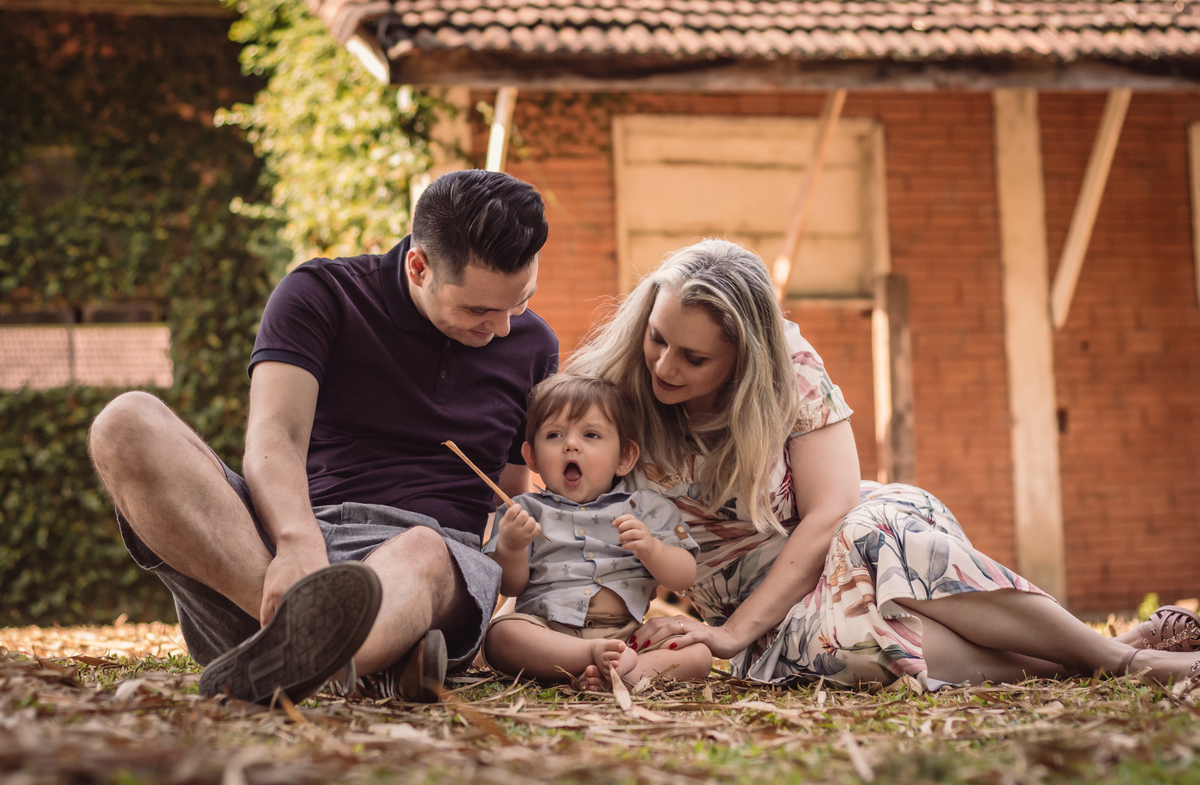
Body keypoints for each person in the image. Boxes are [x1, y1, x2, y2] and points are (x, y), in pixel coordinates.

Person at [567, 238, 1200, 690]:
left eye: (693, 358)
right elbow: (607, 536)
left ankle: (1122, 665)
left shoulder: (788, 367)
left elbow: (832, 512)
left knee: (869, 535)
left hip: (858, 532)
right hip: (769, 609)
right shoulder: (609, 397)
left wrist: (731, 639)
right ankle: (1101, 655)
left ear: (745, 359)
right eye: (657, 337)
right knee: (851, 647)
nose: (664, 366)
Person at [88, 170, 558, 704]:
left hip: (429, 567)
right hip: (275, 556)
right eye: (478, 309)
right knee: (125, 423)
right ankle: (339, 652)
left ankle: (312, 652)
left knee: (424, 550)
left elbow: (514, 486)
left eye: (519, 302)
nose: (502, 329)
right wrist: (296, 544)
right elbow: (276, 432)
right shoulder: (321, 294)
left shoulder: (535, 344)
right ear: (418, 265)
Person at [482, 373, 712, 689]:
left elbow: (684, 575)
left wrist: (651, 549)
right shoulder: (522, 512)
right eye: (554, 435)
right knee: (501, 636)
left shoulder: (646, 508)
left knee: (698, 653)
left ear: (625, 457)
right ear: (532, 456)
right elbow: (510, 585)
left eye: (590, 434)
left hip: (627, 642)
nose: (571, 445)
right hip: (551, 635)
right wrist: (511, 546)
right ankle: (588, 658)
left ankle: (627, 674)